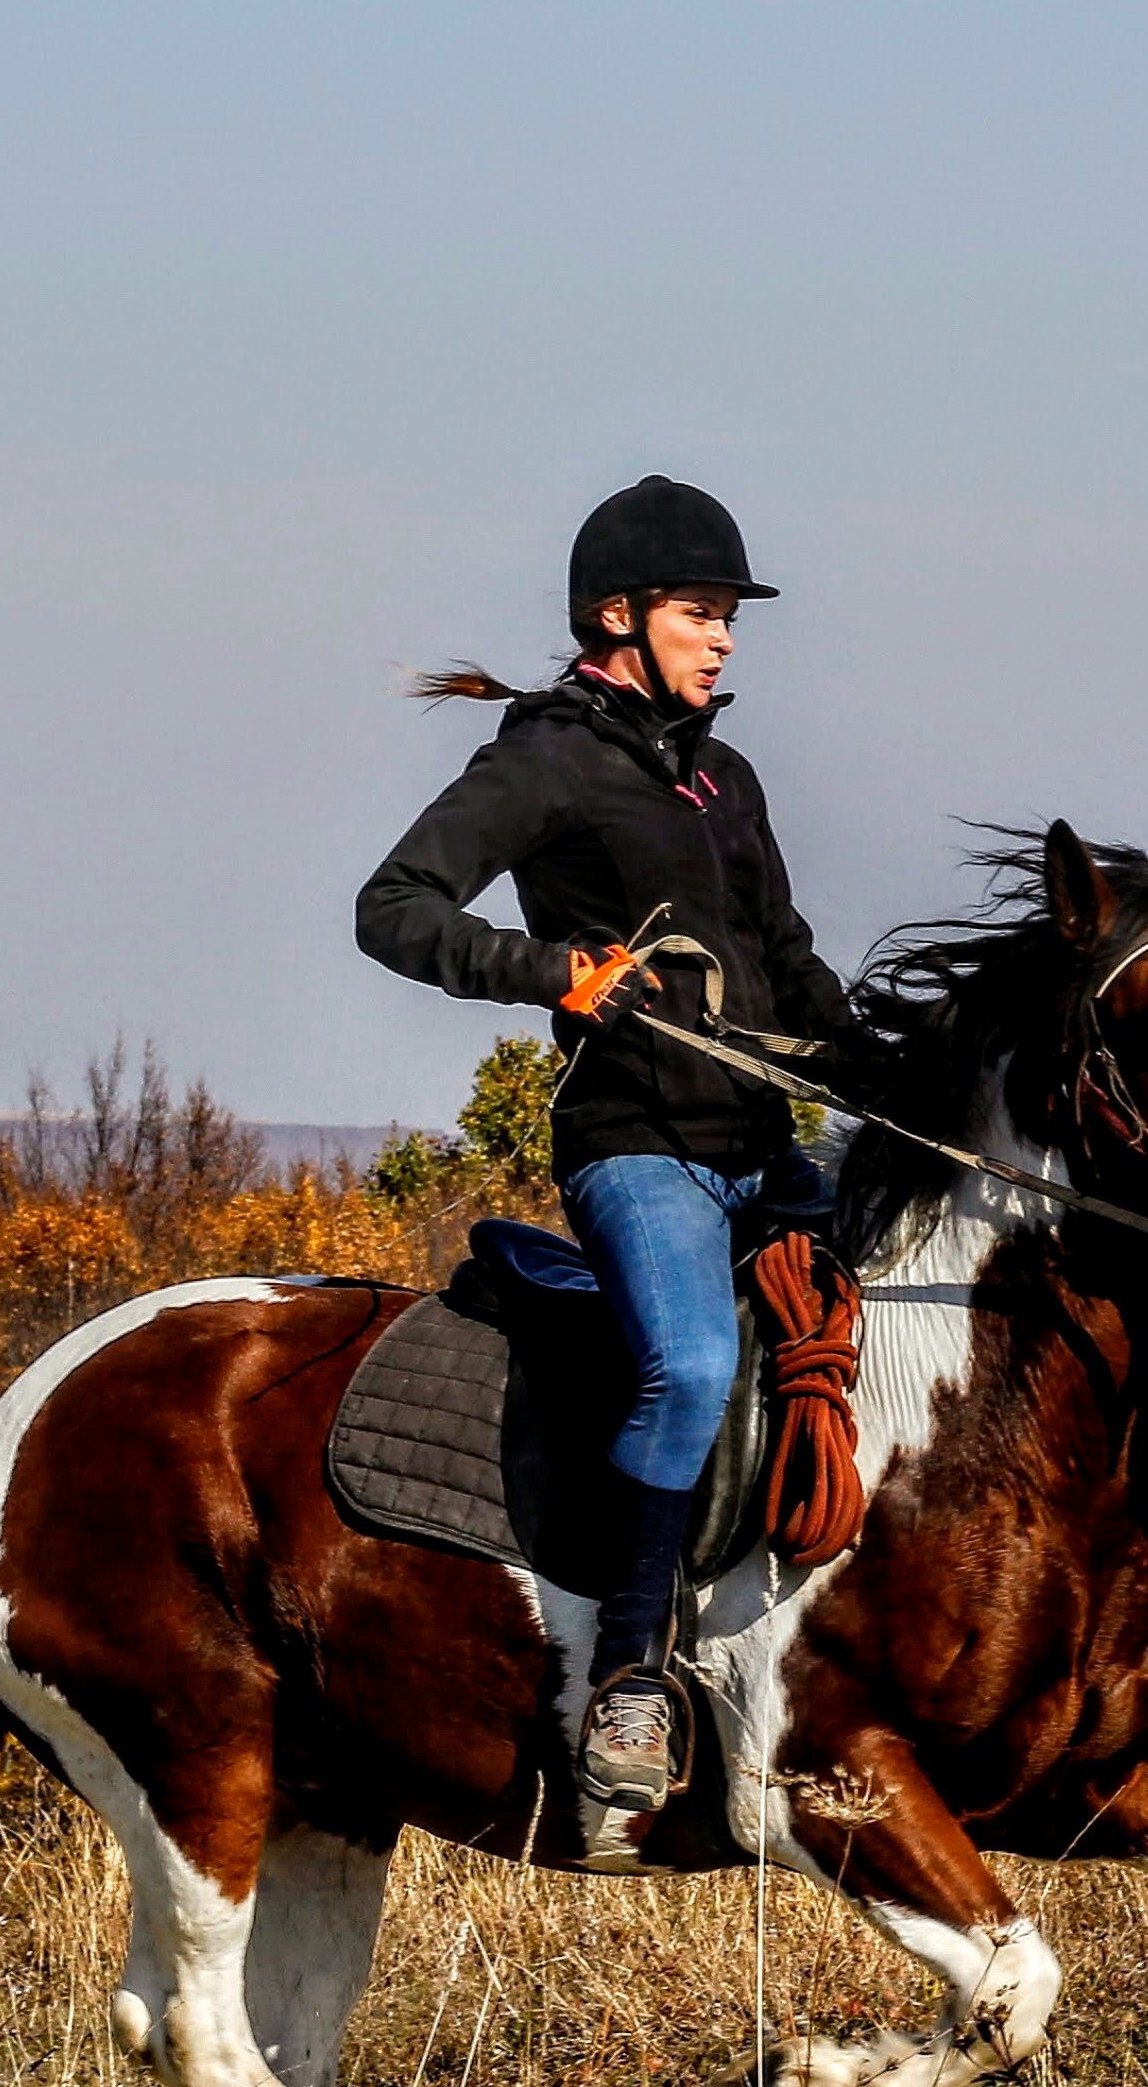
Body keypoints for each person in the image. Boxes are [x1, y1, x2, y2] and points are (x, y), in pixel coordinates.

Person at [356, 473, 856, 1812]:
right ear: (619, 616)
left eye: (727, 615)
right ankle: (625, 1681)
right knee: (691, 1368)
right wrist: (550, 972)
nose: (727, 638)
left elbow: (788, 962)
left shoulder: (723, 776)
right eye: (703, 612)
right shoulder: (544, 761)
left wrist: (878, 1059)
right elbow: (391, 910)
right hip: (638, 1145)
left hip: (763, 1140)